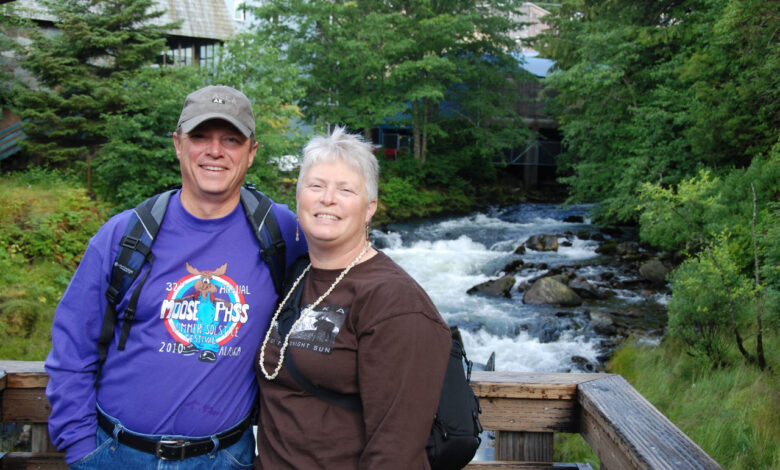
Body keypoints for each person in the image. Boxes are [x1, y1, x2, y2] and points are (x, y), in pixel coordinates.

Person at [44, 85, 307, 468]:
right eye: (200, 136)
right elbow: (72, 349)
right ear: (178, 144)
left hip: (224, 458)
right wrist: (82, 450)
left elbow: (348, 268)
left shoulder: (281, 232)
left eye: (231, 139)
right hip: (117, 455)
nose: (214, 151)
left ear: (251, 153)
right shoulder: (125, 235)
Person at [254, 127, 452, 469]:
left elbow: (396, 451)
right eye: (316, 186)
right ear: (299, 197)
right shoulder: (295, 274)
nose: (327, 198)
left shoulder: (394, 301)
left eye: (346, 189)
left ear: (370, 207)